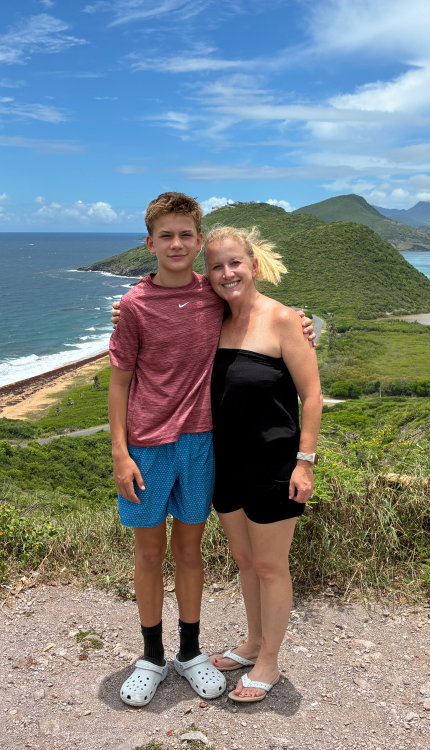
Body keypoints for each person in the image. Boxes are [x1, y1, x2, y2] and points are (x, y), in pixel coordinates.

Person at [107, 193, 314, 708]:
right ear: (150, 242)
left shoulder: (244, 306)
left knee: (219, 557)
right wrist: (119, 452)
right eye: (166, 236)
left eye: (186, 236)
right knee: (184, 556)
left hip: (223, 450)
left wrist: (303, 324)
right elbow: (123, 372)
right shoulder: (161, 304)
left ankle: (216, 654)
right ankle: (159, 656)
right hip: (169, 450)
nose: (177, 245)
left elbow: (300, 373)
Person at [202, 224, 322, 703]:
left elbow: (311, 396)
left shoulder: (285, 320)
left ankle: (269, 661)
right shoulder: (213, 318)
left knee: (271, 565)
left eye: (235, 263)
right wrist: (122, 310)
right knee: (244, 560)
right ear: (207, 275)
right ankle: (253, 643)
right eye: (216, 266)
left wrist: (305, 462)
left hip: (273, 462)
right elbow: (162, 308)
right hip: (223, 462)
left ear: (253, 264)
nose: (227, 272)